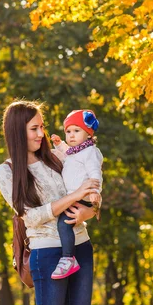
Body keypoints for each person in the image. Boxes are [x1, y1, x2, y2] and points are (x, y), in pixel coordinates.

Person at [0, 100, 100, 305]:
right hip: (47, 254)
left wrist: (91, 210)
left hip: (81, 246)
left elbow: (92, 184)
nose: (41, 134)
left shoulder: (57, 158)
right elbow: (30, 217)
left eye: (42, 126)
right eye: (34, 128)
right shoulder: (7, 171)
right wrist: (73, 196)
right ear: (18, 131)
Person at [49, 109, 103, 280]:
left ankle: (68, 258)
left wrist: (95, 192)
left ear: (88, 134)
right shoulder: (76, 151)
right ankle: (67, 257)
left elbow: (95, 173)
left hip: (84, 195)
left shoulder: (90, 152)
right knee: (65, 222)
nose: (71, 135)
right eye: (68, 132)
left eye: (76, 131)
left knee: (64, 223)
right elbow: (67, 153)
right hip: (74, 195)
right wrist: (58, 144)